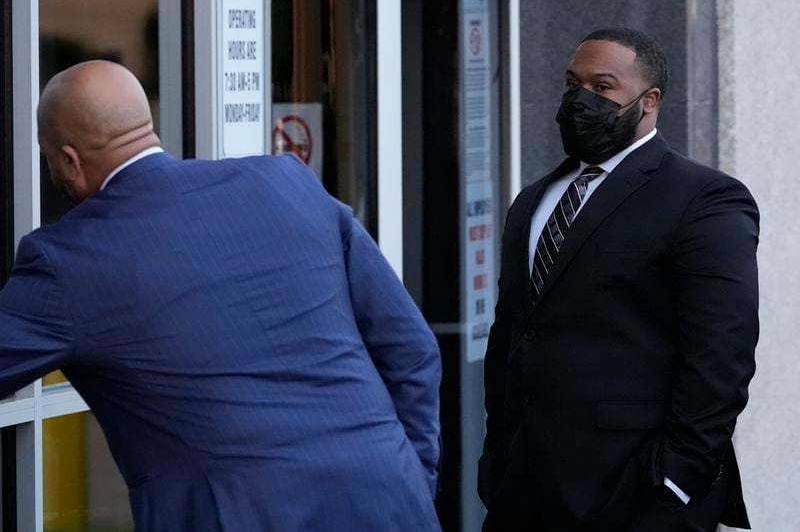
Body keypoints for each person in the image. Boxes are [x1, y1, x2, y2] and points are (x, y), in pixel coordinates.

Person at [0, 61, 442, 531]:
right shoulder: (287, 182)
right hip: (390, 501)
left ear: (69, 159)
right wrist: (411, 475)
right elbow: (412, 348)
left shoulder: (68, 260)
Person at [479, 28, 758, 532]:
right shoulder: (532, 201)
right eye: (571, 83)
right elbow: (511, 337)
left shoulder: (704, 199)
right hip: (523, 495)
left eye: (602, 86)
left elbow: (722, 355)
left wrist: (676, 480)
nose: (579, 99)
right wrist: (496, 457)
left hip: (638, 496)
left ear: (649, 101)